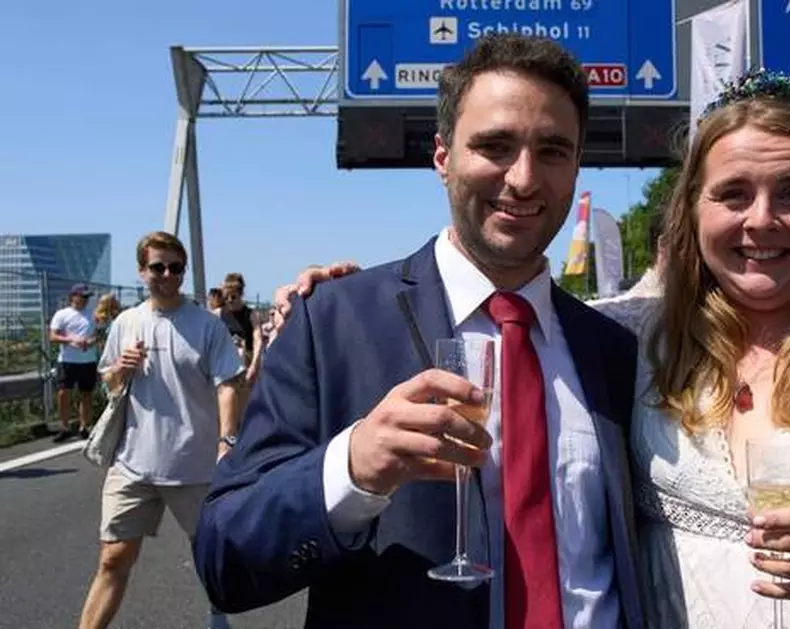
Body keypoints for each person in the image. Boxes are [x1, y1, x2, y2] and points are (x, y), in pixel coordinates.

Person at [281, 71, 790, 628]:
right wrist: (338, 297)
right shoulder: (636, 334)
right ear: (693, 209)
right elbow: (494, 302)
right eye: (732, 194)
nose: (762, 220)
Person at [192, 35, 644, 629]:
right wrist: (351, 467)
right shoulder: (330, 323)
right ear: (442, 157)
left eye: (553, 151)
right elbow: (225, 557)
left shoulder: (612, 349)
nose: (525, 178)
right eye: (495, 146)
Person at [77, 232, 243, 629]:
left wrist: (228, 440)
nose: (168, 274)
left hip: (195, 464)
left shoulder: (206, 326)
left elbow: (229, 384)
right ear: (141, 271)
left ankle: (218, 615)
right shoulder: (126, 323)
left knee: (208, 554)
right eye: (158, 267)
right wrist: (120, 370)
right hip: (133, 463)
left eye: (176, 267)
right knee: (112, 557)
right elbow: (111, 385)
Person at [49, 283, 99, 441]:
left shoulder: (93, 314)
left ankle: (84, 427)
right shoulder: (62, 314)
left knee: (86, 394)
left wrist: (90, 342)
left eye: (87, 297)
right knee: (63, 393)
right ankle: (64, 427)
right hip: (67, 360)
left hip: (88, 360)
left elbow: (98, 335)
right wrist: (70, 339)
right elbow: (53, 336)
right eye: (82, 296)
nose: (85, 300)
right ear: (73, 297)